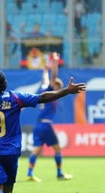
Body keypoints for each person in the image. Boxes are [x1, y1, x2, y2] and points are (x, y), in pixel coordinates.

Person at [26, 54, 73, 182]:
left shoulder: (44, 90)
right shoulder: (52, 91)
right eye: (58, 87)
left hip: (39, 124)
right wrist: (55, 63)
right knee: (57, 149)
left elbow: (45, 79)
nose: (59, 89)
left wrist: (45, 70)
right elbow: (53, 78)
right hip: (46, 125)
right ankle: (59, 173)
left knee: (37, 150)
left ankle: (29, 173)